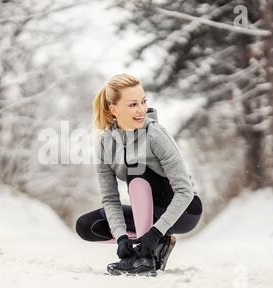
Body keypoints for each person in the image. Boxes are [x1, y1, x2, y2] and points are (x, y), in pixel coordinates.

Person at [75, 73, 203, 277]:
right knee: (87, 226)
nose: (142, 109)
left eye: (143, 101)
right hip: (147, 214)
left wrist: (155, 231)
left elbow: (184, 192)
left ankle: (145, 259)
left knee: (136, 168)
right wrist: (121, 238)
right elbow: (110, 198)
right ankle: (146, 249)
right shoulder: (104, 144)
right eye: (133, 104)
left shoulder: (155, 134)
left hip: (184, 211)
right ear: (114, 109)